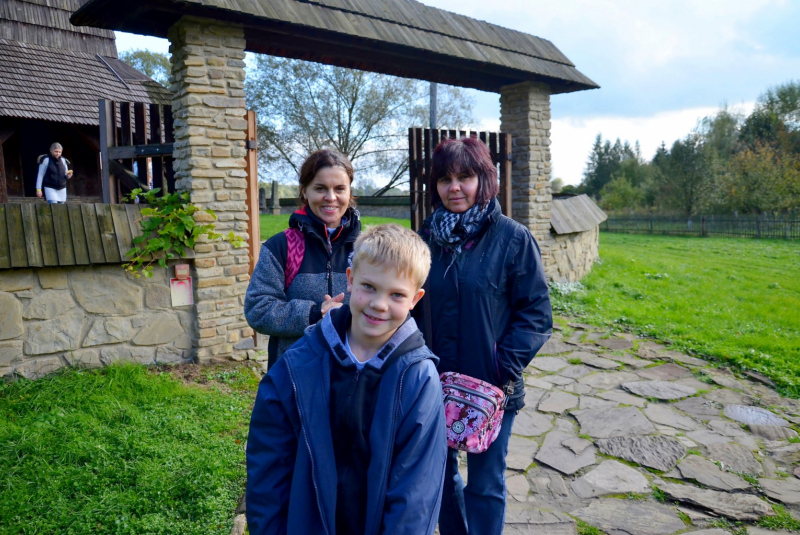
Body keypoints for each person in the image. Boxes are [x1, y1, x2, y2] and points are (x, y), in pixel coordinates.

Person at [246, 224, 447, 535]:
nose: (379, 304)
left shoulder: (419, 379)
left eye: (396, 294)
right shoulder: (299, 364)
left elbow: (416, 492)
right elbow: (268, 465)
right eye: (369, 286)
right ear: (350, 279)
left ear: (415, 299)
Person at [417, 137, 553, 535]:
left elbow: (536, 314)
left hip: (492, 387)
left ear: (485, 180)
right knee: (439, 479)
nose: (453, 187)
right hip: (433, 384)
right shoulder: (424, 241)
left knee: (486, 482)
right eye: (444, 179)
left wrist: (500, 367)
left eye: (464, 176)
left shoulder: (512, 239)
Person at [245, 149, 361, 369]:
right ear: (305, 192)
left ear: (349, 192)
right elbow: (257, 309)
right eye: (320, 188)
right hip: (295, 375)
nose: (331, 197)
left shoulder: (367, 249)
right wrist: (314, 313)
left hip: (353, 376)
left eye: (339, 189)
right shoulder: (282, 246)